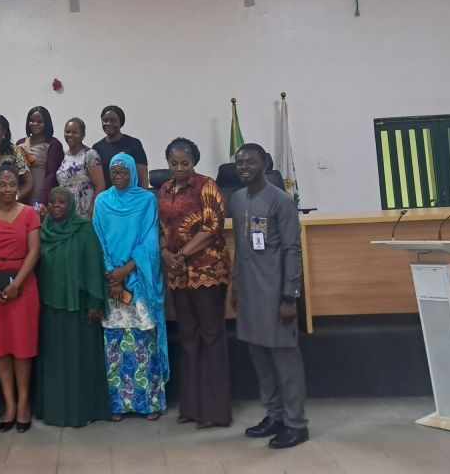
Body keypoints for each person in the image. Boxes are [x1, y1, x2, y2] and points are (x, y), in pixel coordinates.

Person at [230, 143, 309, 449]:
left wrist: (290, 296)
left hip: (276, 295)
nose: (244, 167)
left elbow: (292, 249)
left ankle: (296, 423)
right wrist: (236, 285)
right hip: (250, 294)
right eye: (239, 163)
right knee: (260, 359)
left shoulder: (281, 202)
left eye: (250, 162)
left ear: (265, 164)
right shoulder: (236, 200)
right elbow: (239, 245)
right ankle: (274, 415)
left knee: (285, 362)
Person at [157, 138, 232, 428]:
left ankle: (215, 411)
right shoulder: (163, 189)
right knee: (188, 337)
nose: (178, 168)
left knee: (211, 335)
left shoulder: (206, 185)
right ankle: (191, 407)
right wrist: (166, 252)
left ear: (194, 162)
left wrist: (182, 253)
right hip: (177, 273)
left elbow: (213, 226)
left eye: (184, 163)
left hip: (207, 270)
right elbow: (162, 226)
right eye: (173, 163)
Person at [92, 153, 168, 421]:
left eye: (124, 172)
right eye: (114, 173)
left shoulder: (147, 200)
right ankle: (117, 405)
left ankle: (150, 403)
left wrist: (125, 271)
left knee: (144, 343)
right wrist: (112, 275)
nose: (119, 177)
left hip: (138, 280)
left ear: (133, 174)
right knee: (114, 344)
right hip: (111, 280)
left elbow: (150, 240)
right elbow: (98, 239)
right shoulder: (102, 201)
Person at [35, 187, 110, 427]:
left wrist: (94, 303)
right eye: (52, 202)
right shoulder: (43, 230)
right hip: (50, 308)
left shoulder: (83, 229)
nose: (56, 206)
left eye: (62, 202)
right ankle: (54, 411)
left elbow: (92, 268)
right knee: (54, 362)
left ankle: (82, 410)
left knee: (79, 360)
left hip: (79, 309)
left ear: (71, 205)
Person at [0, 165, 41, 433]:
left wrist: (17, 284)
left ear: (19, 186)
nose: (8, 189)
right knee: (0, 349)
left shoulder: (29, 214)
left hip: (23, 288)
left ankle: (24, 404)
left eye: (12, 183)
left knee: (22, 349)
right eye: (3, 184)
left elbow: (34, 252)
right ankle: (9, 405)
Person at [56, 117, 106, 219]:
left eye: (75, 132)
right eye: (67, 132)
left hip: (85, 212)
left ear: (83, 134)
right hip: (65, 212)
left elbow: (101, 185)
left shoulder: (90, 154)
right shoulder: (62, 156)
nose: (70, 135)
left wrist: (91, 211)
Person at [15, 106, 64, 212]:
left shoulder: (53, 144)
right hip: (19, 195)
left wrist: (43, 201)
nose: (35, 124)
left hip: (39, 197)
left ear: (46, 123)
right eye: (32, 121)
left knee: (36, 225)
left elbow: (52, 175)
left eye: (40, 121)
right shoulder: (20, 143)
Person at [93, 105, 149, 189]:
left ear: (121, 123)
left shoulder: (134, 144)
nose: (108, 124)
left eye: (113, 121)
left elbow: (143, 177)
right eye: (105, 120)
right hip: (108, 198)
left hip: (132, 196)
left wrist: (143, 197)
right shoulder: (97, 147)